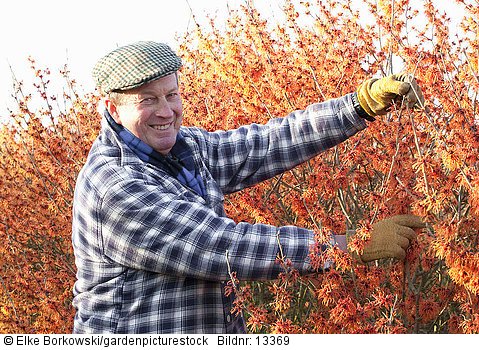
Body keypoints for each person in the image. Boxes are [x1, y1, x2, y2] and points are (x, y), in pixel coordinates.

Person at [72, 41, 426, 334]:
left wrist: (358, 106)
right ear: (113, 109)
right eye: (147, 100)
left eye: (171, 95)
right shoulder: (116, 187)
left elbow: (266, 144)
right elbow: (222, 246)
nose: (167, 111)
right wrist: (347, 246)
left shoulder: (185, 149)